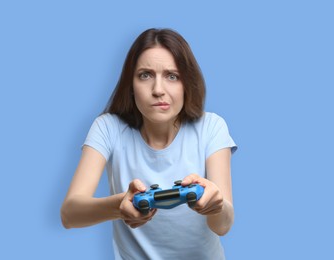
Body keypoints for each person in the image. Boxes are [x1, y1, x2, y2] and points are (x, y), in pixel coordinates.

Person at [61, 28, 237, 259]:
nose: (158, 90)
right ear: (131, 85)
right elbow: (70, 214)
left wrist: (216, 205)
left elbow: (222, 226)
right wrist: (119, 205)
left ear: (187, 83)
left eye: (172, 76)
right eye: (145, 75)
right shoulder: (108, 128)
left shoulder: (211, 127)